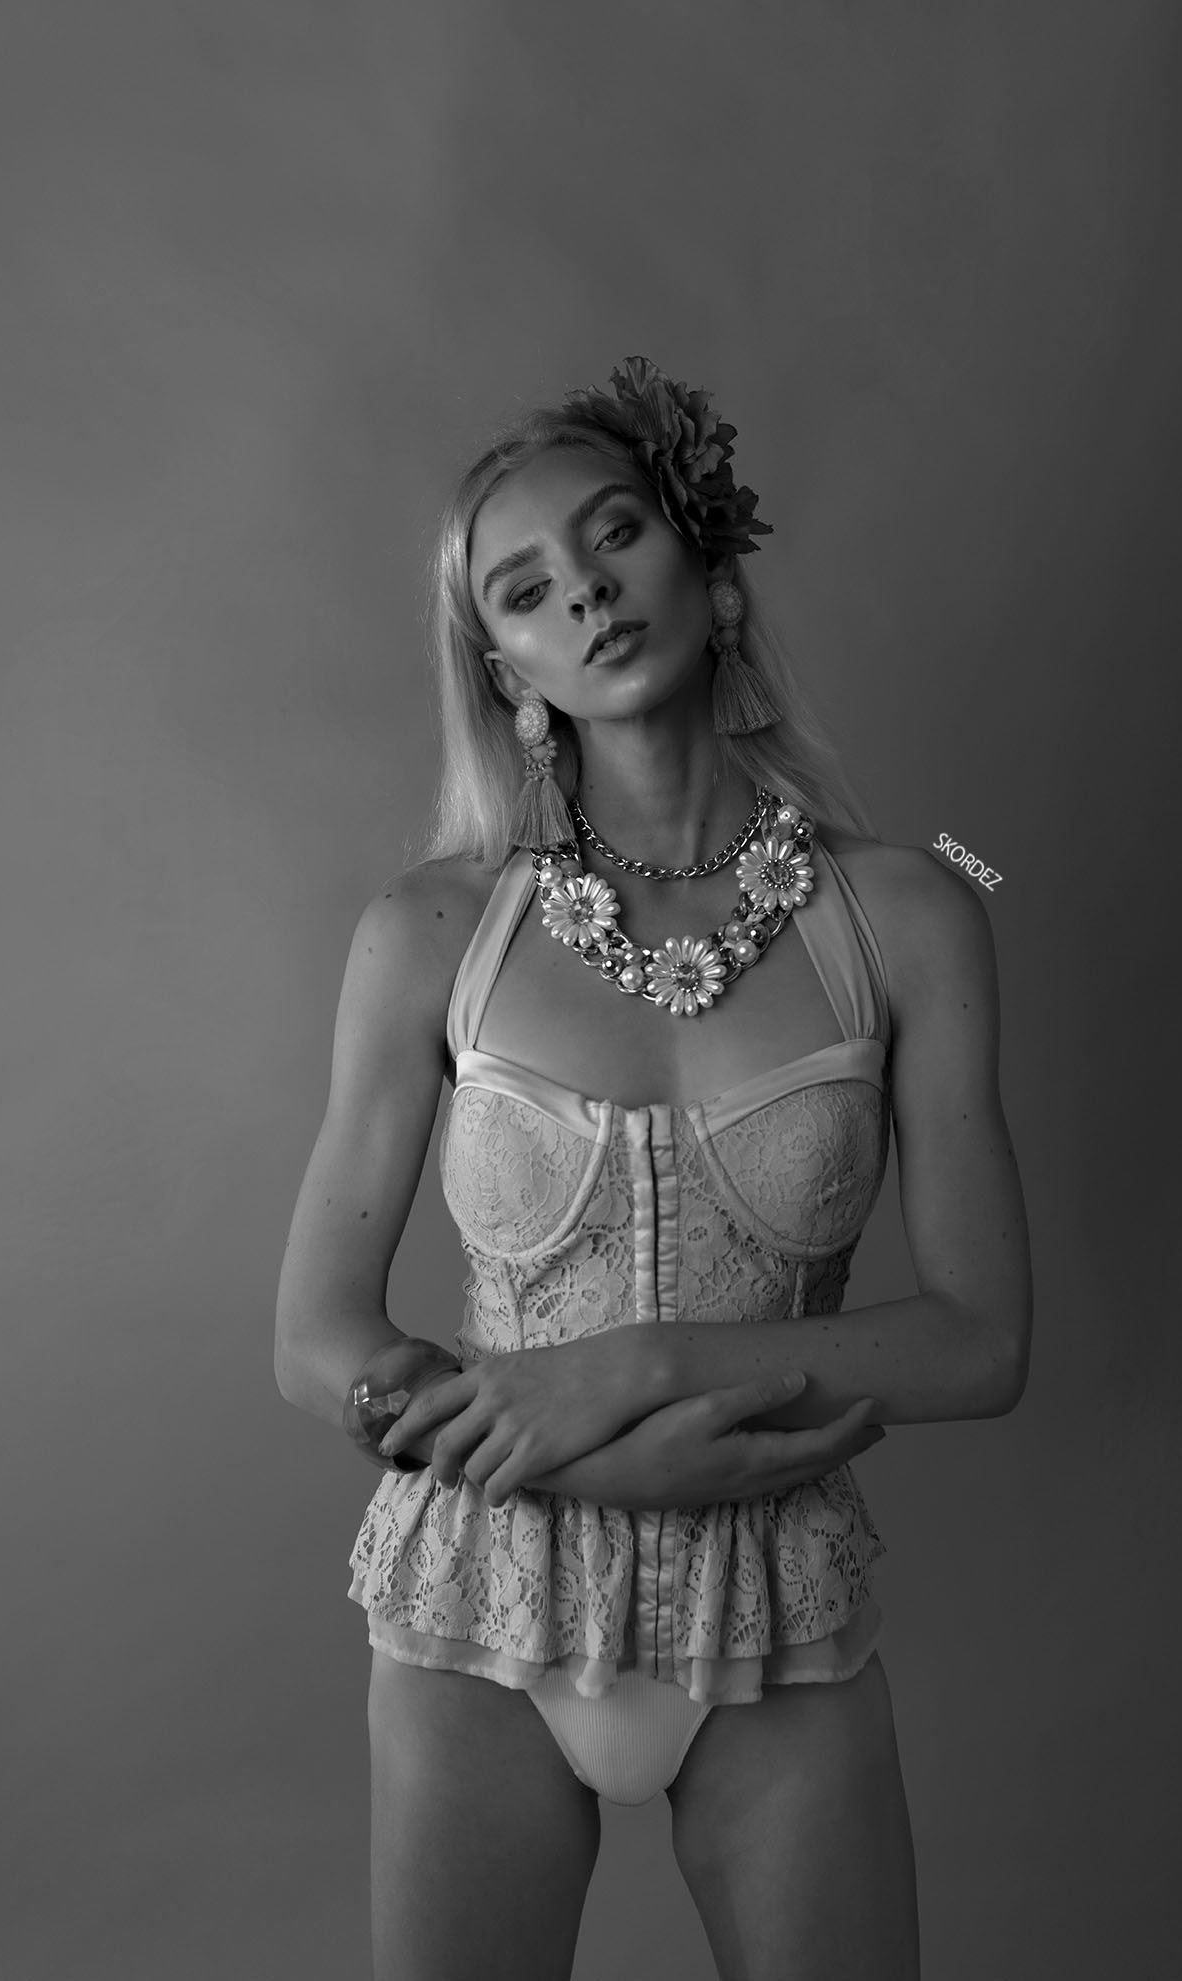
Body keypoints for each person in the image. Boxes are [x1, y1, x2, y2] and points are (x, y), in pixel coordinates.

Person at [274, 356, 1033, 1981]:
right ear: (508, 670)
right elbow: (314, 1337)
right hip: (482, 1591)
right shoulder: (430, 928)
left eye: (615, 533)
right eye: (525, 589)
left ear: (706, 564)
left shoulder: (915, 908)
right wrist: (593, 1463)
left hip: (773, 1595)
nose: (586, 592)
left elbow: (980, 1340)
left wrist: (638, 1368)